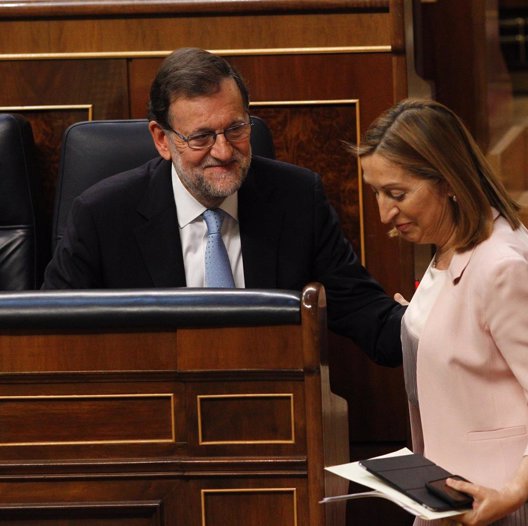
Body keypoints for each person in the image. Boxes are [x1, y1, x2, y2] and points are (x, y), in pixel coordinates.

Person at [42, 47, 403, 366]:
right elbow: (50, 336)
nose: (224, 152)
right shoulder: (102, 215)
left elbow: (363, 312)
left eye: (235, 129)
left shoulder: (296, 198)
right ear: (162, 140)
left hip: (272, 410)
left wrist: (431, 321)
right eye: (201, 137)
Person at [356, 98, 528, 525]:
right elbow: (472, 336)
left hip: (516, 502)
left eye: (397, 194)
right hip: (452, 491)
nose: (384, 213)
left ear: (448, 181)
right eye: (376, 192)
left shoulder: (504, 267)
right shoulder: (452, 241)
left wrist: (512, 494)